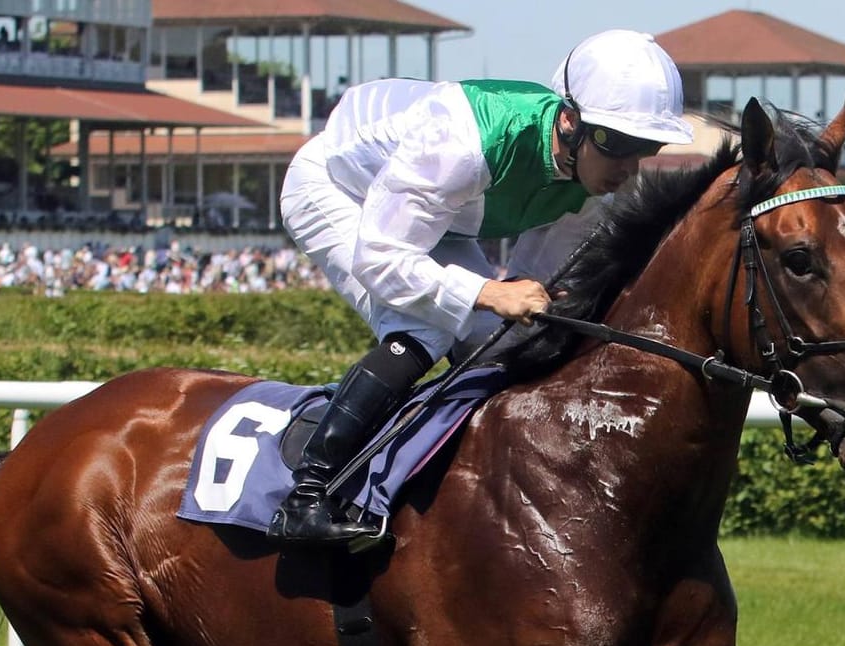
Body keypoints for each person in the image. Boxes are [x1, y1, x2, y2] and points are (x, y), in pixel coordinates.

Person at [270, 29, 695, 544]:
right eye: (617, 143)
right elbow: (381, 257)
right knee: (425, 326)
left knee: (505, 341)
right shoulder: (462, 143)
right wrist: (487, 292)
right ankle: (306, 496)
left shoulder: (590, 191)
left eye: (645, 148)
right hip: (337, 190)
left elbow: (537, 292)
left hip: (435, 218)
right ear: (570, 120)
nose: (627, 169)